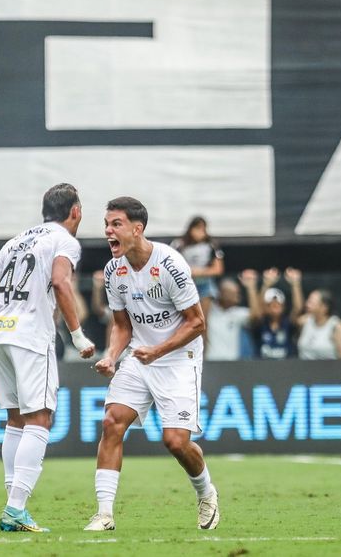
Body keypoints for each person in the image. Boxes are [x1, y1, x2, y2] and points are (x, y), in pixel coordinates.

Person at [0, 184, 95, 533]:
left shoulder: (16, 240)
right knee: (39, 420)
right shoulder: (64, 240)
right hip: (31, 336)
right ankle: (15, 510)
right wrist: (78, 335)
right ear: (76, 212)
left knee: (16, 422)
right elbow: (61, 283)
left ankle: (13, 507)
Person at [86, 196, 217, 533]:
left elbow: (197, 323)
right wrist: (112, 356)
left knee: (175, 441)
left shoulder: (171, 265)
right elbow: (122, 325)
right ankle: (104, 513)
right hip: (141, 355)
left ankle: (206, 493)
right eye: (106, 225)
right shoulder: (114, 269)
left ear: (137, 228)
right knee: (112, 422)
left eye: (115, 224)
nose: (108, 231)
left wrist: (158, 350)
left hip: (177, 357)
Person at [170, 216, 223, 316]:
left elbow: (218, 269)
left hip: (204, 285)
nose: (200, 232)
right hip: (184, 285)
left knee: (203, 318)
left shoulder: (211, 245)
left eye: (203, 229)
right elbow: (170, 264)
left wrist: (200, 272)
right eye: (197, 228)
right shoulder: (178, 244)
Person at [243, 267, 301, 359]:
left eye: (278, 303)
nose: (275, 305)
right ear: (265, 307)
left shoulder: (288, 324)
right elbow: (256, 312)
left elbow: (297, 309)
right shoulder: (260, 324)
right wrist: (265, 285)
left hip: (286, 369)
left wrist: (295, 284)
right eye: (271, 304)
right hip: (262, 369)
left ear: (284, 306)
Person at [294, 288, 341, 360]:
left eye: (311, 302)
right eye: (308, 301)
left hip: (328, 369)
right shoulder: (304, 321)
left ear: (324, 307)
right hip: (303, 368)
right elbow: (296, 310)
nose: (307, 304)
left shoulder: (336, 326)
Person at [204, 277, 250, 361]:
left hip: (232, 364)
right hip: (211, 361)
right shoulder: (209, 310)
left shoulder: (237, 313)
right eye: (234, 293)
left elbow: (256, 316)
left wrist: (251, 288)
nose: (238, 296)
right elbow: (205, 300)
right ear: (222, 293)